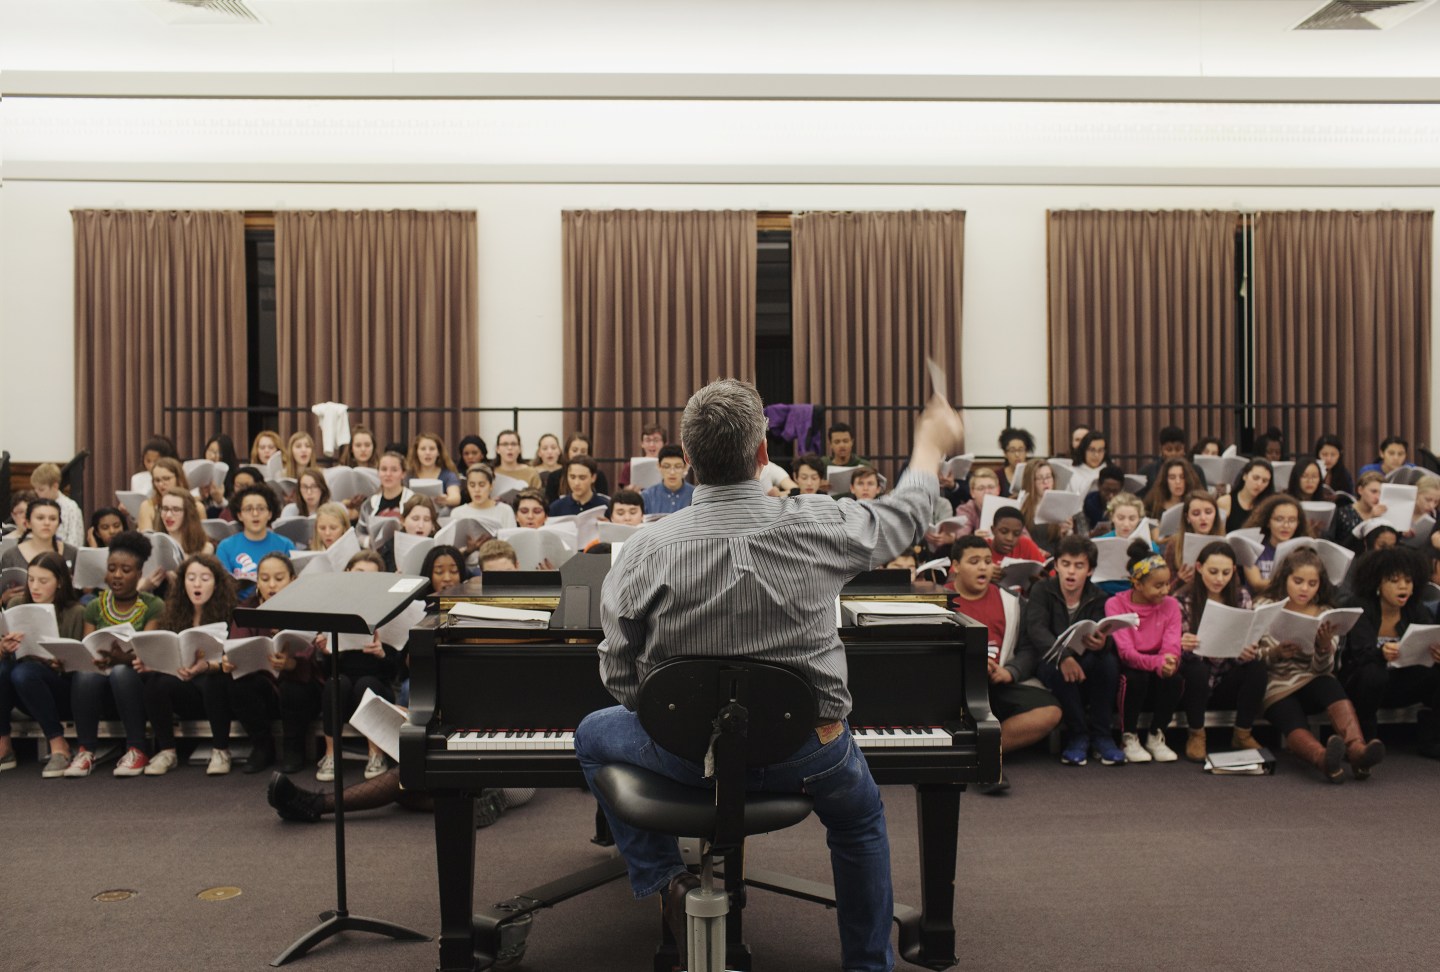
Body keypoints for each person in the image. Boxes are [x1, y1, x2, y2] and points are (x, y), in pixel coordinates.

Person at [575, 378, 963, 972]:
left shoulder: (646, 549)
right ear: (763, 455)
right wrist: (930, 447)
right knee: (859, 824)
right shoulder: (819, 524)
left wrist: (675, 716)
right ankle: (868, 966)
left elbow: (621, 680)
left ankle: (663, 878)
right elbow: (907, 515)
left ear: (690, 459)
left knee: (592, 733)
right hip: (811, 751)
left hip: (681, 752)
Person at [1255, 549, 1382, 782]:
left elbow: (1324, 668)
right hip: (1277, 683)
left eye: (1312, 583)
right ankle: (1324, 759)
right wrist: (1275, 653)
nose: (1305, 589)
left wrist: (1323, 647)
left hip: (1312, 676)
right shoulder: (1264, 605)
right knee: (1288, 712)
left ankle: (1357, 750)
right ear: (1285, 579)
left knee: (1328, 683)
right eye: (1298, 581)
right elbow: (1252, 655)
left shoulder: (1326, 612)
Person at [947, 536, 1061, 792]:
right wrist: (970, 665)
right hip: (954, 687)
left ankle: (984, 753)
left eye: (987, 561)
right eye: (974, 562)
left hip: (997, 681)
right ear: (955, 566)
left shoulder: (1011, 601)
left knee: (1050, 712)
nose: (983, 568)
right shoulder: (939, 601)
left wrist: (1011, 671)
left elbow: (1029, 647)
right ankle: (987, 761)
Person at [66, 531, 165, 777]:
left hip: (135, 681)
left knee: (121, 671)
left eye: (125, 570)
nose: (117, 575)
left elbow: (148, 653)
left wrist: (125, 659)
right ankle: (86, 750)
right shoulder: (93, 605)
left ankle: (137, 749)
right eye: (112, 569)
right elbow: (87, 646)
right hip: (99, 682)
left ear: (139, 574)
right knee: (86, 674)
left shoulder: (153, 605)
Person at [1025, 534, 1127, 766]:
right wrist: (1064, 658)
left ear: (1090, 570)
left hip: (1086, 656)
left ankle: (1103, 736)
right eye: (1066, 564)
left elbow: (1104, 632)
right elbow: (1037, 630)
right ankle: (1078, 734)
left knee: (1108, 663)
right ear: (1057, 565)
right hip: (1049, 658)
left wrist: (1102, 643)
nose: (1071, 572)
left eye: (1079, 566)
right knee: (1058, 672)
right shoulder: (1042, 590)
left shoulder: (1099, 596)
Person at [136, 553, 239, 776]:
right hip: (184, 684)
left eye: (204, 578)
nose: (197, 584)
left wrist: (207, 666)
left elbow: (236, 658)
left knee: (215, 680)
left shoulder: (231, 613)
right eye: (191, 578)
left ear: (217, 582)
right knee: (155, 682)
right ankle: (167, 751)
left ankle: (221, 750)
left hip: (216, 688)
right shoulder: (173, 613)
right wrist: (154, 664)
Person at [311, 551, 401, 781]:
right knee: (335, 684)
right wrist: (325, 650)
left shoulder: (389, 609)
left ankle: (376, 753)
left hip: (376, 684)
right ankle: (331, 755)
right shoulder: (334, 606)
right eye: (358, 573)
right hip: (342, 685)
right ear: (348, 573)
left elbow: (397, 670)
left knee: (366, 684)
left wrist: (382, 653)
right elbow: (325, 670)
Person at [1342, 546, 1440, 756]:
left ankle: (1431, 738)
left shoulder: (1416, 609)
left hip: (1401, 683)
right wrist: (1381, 653)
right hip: (1363, 686)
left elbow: (1430, 638)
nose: (1403, 586)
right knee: (1373, 673)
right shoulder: (1360, 606)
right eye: (1394, 581)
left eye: (1408, 581)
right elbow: (1359, 655)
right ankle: (1365, 741)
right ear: (1378, 583)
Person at [229, 552, 321, 774]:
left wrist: (292, 664)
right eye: (264, 578)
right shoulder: (247, 608)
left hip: (300, 686)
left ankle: (293, 748)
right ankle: (262, 747)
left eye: (279, 579)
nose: (271, 585)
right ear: (257, 581)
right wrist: (230, 660)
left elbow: (314, 652)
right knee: (240, 684)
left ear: (292, 580)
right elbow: (236, 645)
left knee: (293, 687)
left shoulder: (306, 608)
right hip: (264, 685)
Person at [1175, 542, 1269, 759]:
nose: (1219, 579)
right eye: (1213, 572)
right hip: (1196, 678)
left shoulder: (1241, 596)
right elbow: (1178, 650)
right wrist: (1184, 644)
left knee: (1256, 667)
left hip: (1226, 675)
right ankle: (1196, 733)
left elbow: (1244, 640)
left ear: (1234, 571)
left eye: (1226, 573)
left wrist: (1245, 652)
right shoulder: (1182, 599)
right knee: (1194, 668)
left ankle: (1242, 733)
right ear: (1199, 568)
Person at [0, 553, 87, 777]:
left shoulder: (75, 612)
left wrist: (58, 662)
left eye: (43, 581)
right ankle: (4, 744)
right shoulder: (16, 604)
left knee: (24, 673)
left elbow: (79, 667)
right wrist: (4, 648)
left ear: (59, 583)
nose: (35, 587)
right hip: (24, 686)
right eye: (31, 579)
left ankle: (59, 745)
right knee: (5, 670)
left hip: (59, 687)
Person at [1108, 542, 1189, 764]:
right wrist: (1157, 663)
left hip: (1160, 662)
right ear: (1138, 584)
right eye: (1158, 585)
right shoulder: (1115, 605)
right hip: (1132, 666)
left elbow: (1172, 642)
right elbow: (1126, 652)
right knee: (1135, 678)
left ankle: (1156, 735)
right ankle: (1129, 736)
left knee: (1176, 678)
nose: (1166, 590)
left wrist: (1169, 660)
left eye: (1167, 583)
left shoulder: (1170, 604)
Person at [215, 484, 295, 600]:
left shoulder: (285, 545)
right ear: (239, 515)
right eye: (248, 509)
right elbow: (222, 589)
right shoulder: (226, 547)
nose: (255, 514)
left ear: (270, 514)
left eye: (261, 508)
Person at [1, 499, 80, 596]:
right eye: (40, 518)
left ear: (59, 523)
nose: (47, 523)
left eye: (52, 519)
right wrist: (4, 598)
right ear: (28, 523)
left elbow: (80, 591)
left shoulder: (72, 552)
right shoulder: (11, 555)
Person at [1240, 494, 1307, 590]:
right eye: (1279, 519)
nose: (1286, 525)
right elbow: (1256, 583)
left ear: (1298, 523)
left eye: (1292, 520)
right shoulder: (1252, 547)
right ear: (1268, 522)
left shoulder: (1303, 551)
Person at [1163, 491, 1225, 585]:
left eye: (1208, 512)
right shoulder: (1175, 544)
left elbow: (1234, 583)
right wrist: (1179, 580)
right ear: (1187, 517)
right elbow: (1165, 590)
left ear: (1216, 514)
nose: (1203, 518)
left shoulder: (1224, 542)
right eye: (1196, 514)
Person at [1017, 458, 1073, 554]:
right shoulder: (1021, 505)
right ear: (1030, 482)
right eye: (1039, 478)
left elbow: (1068, 545)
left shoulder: (1061, 504)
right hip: (1029, 555)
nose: (1045, 482)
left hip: (1054, 557)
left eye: (1048, 477)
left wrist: (1067, 532)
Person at [358, 451, 415, 537]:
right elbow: (360, 533)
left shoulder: (414, 501)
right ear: (378, 473)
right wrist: (370, 543)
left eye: (394, 470)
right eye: (384, 469)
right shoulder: (369, 504)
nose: (388, 474)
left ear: (403, 474)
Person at [27, 463, 84, 548]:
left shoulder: (71, 508)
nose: (37, 494)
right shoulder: (35, 507)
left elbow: (75, 542)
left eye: (41, 489)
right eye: (36, 490)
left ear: (55, 486)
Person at [452, 463, 518, 532]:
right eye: (472, 485)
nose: (477, 490)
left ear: (491, 486)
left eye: (482, 485)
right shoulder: (458, 513)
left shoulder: (505, 511)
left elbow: (511, 539)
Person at [1335, 471, 1390, 553]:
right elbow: (1343, 546)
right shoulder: (1343, 513)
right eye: (1373, 492)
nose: (1378, 497)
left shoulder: (1384, 514)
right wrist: (1371, 520)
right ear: (1360, 490)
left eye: (1381, 493)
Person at [407, 431, 464, 508]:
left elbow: (456, 498)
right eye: (423, 449)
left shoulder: (448, 475)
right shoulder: (409, 474)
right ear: (416, 452)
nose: (427, 453)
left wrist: (446, 500)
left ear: (438, 452)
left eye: (432, 449)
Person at [1217, 458, 1274, 533]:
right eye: (1255, 478)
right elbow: (1219, 534)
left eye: (1265, 481)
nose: (1259, 484)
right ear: (1245, 476)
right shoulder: (1225, 502)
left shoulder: (1267, 505)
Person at [136, 457, 190, 533]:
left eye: (166, 479)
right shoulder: (148, 506)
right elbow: (146, 541)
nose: (161, 484)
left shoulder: (196, 506)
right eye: (157, 480)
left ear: (179, 478)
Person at [156, 486, 214, 557]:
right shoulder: (154, 545)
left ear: (188, 513)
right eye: (165, 509)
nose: (168, 515)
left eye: (176, 509)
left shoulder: (205, 548)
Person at [640, 444, 694, 514]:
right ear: (659, 466)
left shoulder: (695, 494)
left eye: (677, 466)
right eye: (666, 466)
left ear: (685, 467)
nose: (672, 472)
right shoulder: (647, 496)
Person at [199, 433, 241, 515]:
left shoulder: (235, 476)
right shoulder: (200, 472)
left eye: (220, 453)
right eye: (211, 451)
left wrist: (220, 500)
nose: (213, 456)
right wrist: (201, 497)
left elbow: (237, 508)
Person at [1137, 426, 1190, 491]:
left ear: (1184, 449)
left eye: (1178, 449)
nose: (1173, 453)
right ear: (1161, 450)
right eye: (1169, 449)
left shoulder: (1196, 470)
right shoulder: (1146, 472)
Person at [618, 423, 668, 489]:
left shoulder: (670, 466)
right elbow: (624, 492)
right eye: (647, 440)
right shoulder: (630, 466)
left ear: (664, 444)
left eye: (656, 440)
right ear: (642, 444)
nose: (652, 444)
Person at [1080, 465, 1126, 530]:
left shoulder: (1126, 504)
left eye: (1115, 491)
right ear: (1099, 485)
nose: (1111, 495)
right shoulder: (1088, 503)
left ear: (1121, 489)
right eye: (1107, 490)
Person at [997, 427, 1035, 497]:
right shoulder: (998, 476)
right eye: (1012, 450)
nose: (1017, 455)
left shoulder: (1034, 472)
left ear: (1026, 452)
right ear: (1005, 454)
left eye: (1020, 450)